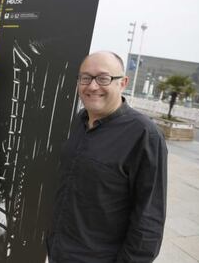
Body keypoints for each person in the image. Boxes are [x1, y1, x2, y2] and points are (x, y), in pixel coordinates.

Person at [47, 51, 167, 263]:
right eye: (85, 78)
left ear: (123, 83)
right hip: (59, 252)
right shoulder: (79, 121)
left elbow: (149, 220)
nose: (92, 86)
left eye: (104, 78)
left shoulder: (144, 135)